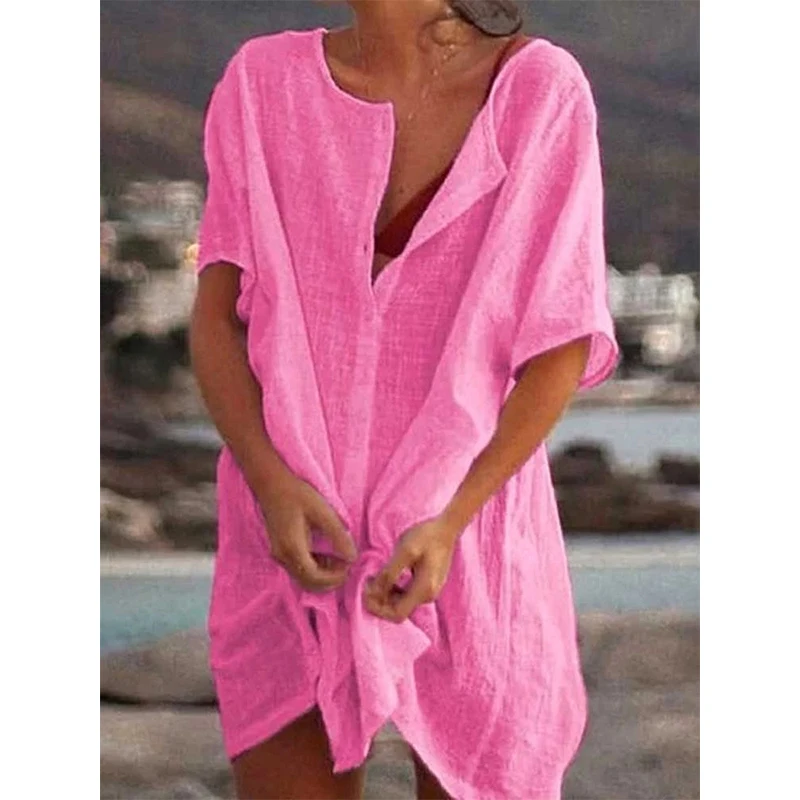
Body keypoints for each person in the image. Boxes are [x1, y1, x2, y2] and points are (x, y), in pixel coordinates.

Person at [189, 1, 619, 798]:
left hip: (470, 540)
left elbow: (559, 344)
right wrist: (271, 482)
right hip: (290, 541)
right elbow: (216, 320)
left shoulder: (537, 90)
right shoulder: (261, 84)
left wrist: (450, 520)